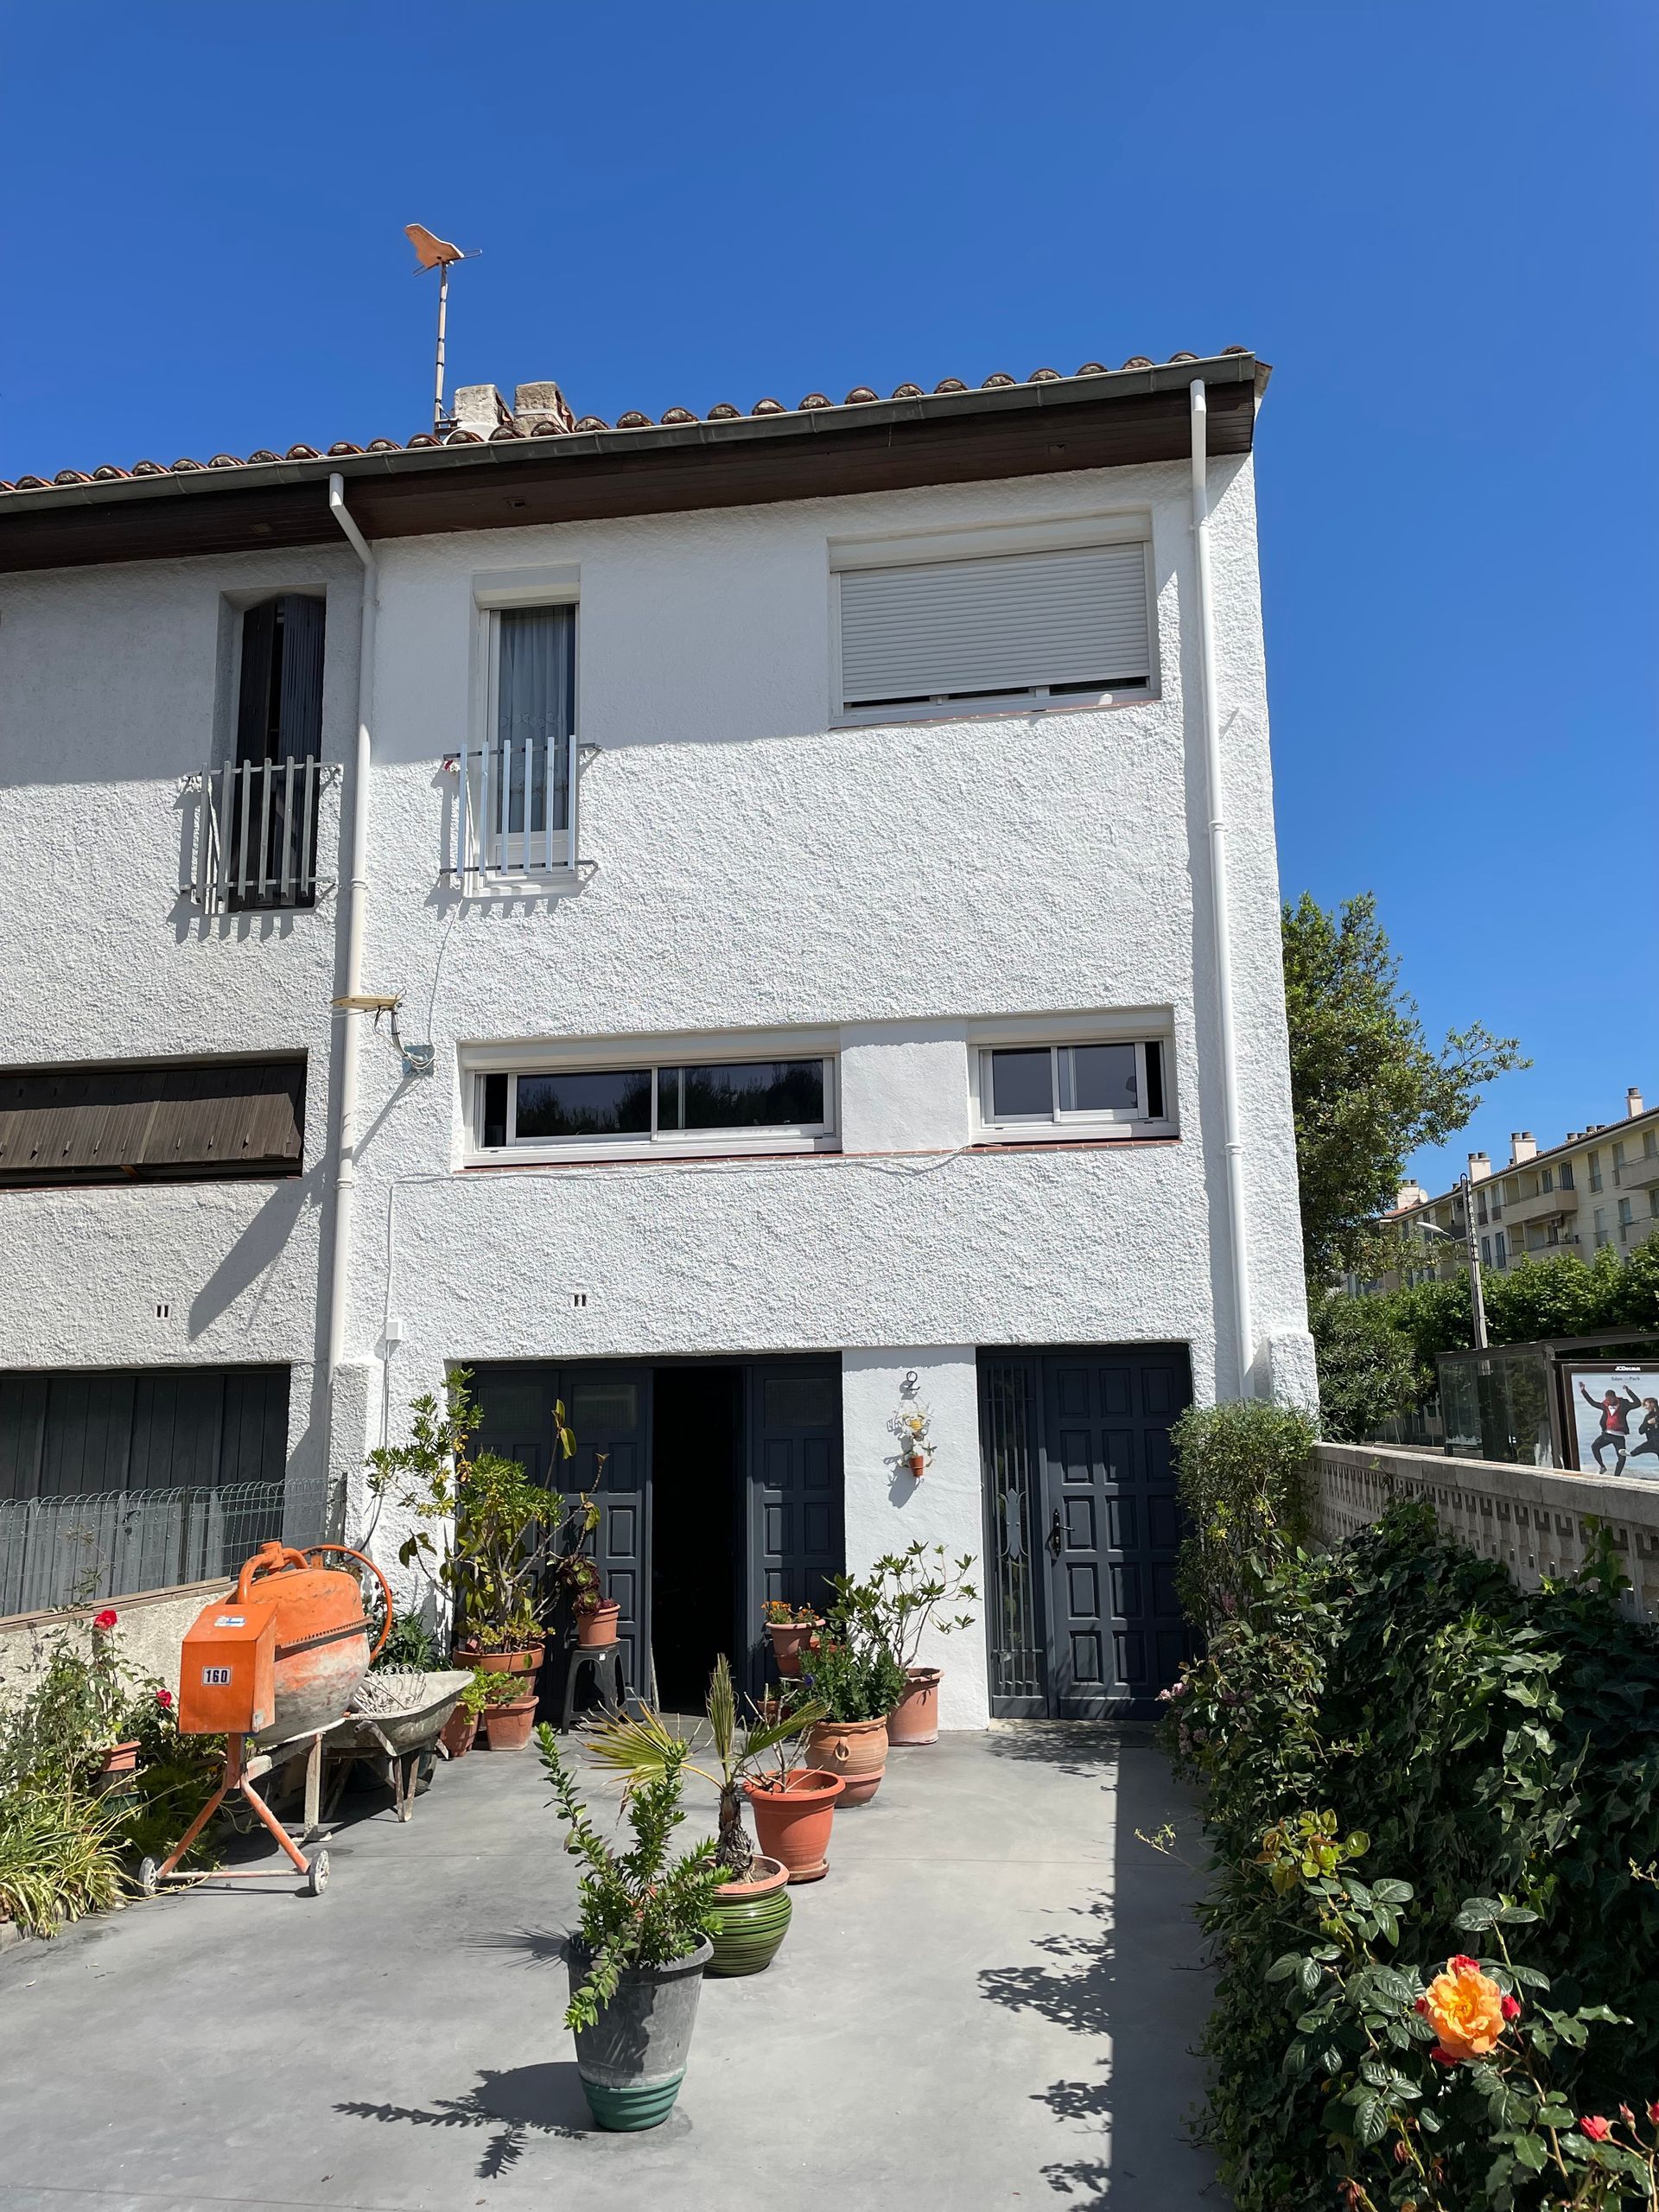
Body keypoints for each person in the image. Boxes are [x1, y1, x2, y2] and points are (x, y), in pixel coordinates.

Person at [1579, 1382, 1642, 1474]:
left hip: (1619, 1436)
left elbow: (1637, 1403)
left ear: (1614, 1397)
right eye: (1607, 1399)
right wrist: (1583, 1391)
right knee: (1594, 1447)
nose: (1609, 1401)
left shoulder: (1624, 1404)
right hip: (1607, 1434)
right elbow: (1592, 1403)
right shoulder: (1605, 1405)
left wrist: (1629, 1392)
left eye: (1610, 1399)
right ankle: (1602, 1467)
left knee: (1622, 1458)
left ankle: (1616, 1476)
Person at [1629, 1396, 1659, 1471]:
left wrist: (1657, 1420)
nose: (1645, 1408)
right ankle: (1632, 1453)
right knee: (1640, 1449)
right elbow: (1641, 1431)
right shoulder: (1648, 1417)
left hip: (1655, 1441)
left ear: (1652, 1404)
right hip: (1653, 1443)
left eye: (1646, 1405)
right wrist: (1648, 1423)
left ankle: (1632, 1453)